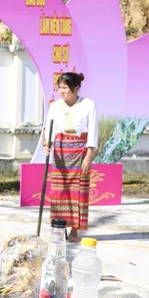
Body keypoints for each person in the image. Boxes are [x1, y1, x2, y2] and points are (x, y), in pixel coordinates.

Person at [42, 72, 97, 243]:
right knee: (59, 192)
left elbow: (93, 132)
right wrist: (47, 144)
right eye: (59, 88)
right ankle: (59, 228)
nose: (61, 91)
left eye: (65, 88)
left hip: (80, 151)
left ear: (76, 88)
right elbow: (48, 128)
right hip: (60, 153)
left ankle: (75, 229)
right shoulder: (55, 106)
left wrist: (88, 157)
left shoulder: (88, 105)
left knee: (78, 192)